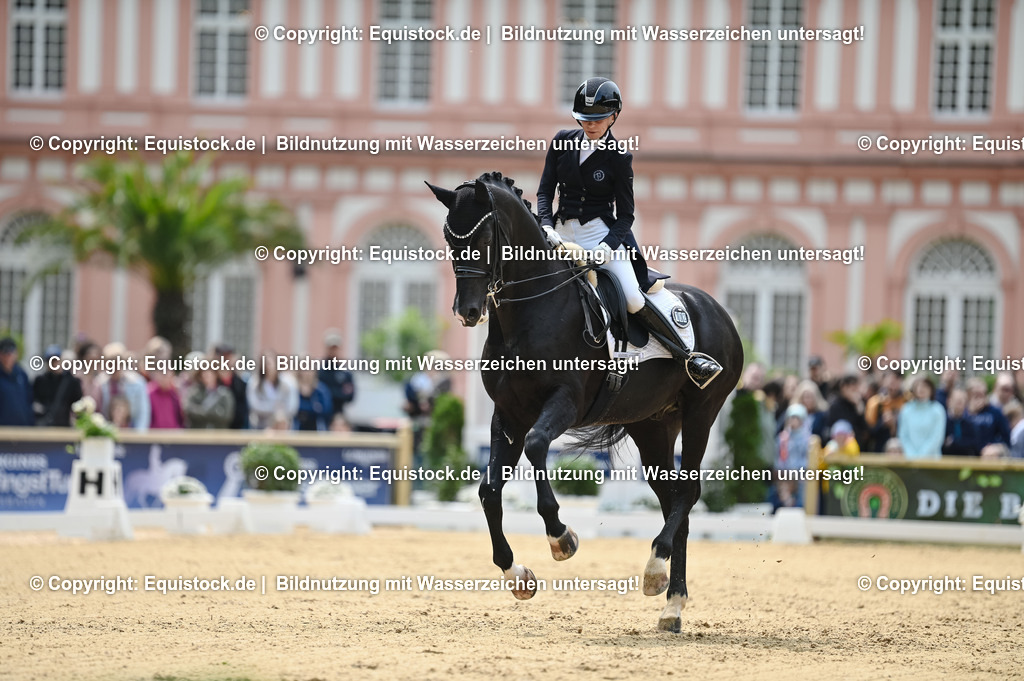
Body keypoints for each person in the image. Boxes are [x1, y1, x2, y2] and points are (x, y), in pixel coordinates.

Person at [536, 76, 722, 388]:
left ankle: (686, 356)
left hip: (600, 235)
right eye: (584, 119)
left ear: (613, 117)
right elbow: (544, 192)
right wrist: (545, 224)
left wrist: (607, 248)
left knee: (633, 298)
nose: (590, 125)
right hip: (560, 233)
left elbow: (626, 215)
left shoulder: (619, 158)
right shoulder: (561, 143)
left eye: (596, 119)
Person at [97, 342, 151, 431]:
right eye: (110, 363)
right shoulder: (100, 383)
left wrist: (138, 437)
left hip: (132, 432)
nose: (114, 367)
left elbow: (143, 413)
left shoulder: (137, 382)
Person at [897, 376, 945, 459]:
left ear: (931, 389)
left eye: (925, 386)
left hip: (932, 460)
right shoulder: (906, 409)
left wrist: (921, 456)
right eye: (918, 386)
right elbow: (903, 436)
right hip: (909, 460)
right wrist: (911, 455)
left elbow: (936, 437)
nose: (921, 389)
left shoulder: (938, 410)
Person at [32, 345, 82, 427]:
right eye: (50, 361)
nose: (54, 363)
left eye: (56, 360)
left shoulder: (71, 381)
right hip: (44, 425)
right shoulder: (40, 381)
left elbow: (78, 405)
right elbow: (35, 402)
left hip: (64, 425)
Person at [247, 351, 298, 429]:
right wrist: (275, 407)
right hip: (261, 426)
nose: (269, 367)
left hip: (283, 427)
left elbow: (292, 407)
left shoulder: (288, 383)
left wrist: (280, 415)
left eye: (272, 363)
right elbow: (255, 405)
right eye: (267, 363)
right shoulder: (254, 383)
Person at [774, 403, 811, 509]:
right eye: (791, 418)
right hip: (786, 474)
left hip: (801, 475)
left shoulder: (807, 439)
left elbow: (807, 458)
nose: (793, 421)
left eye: (796, 418)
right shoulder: (783, 438)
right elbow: (779, 456)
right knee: (783, 492)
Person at [317, 330, 355, 419]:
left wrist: (329, 391)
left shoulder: (345, 372)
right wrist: (338, 392)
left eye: (335, 348)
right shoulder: (319, 370)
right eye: (331, 347)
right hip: (321, 414)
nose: (333, 351)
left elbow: (350, 396)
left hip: (338, 415)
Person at [825, 374, 869, 451]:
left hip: (858, 449)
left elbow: (866, 430)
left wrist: (859, 410)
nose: (855, 392)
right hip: (839, 449)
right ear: (844, 387)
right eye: (852, 389)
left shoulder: (860, 404)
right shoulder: (835, 406)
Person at [213, 343, 249, 429]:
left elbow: (242, 411)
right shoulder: (210, 381)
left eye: (228, 356)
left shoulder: (240, 384)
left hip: (235, 430)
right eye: (223, 356)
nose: (226, 360)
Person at [0, 337, 33, 426]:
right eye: (5, 353)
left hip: (22, 429)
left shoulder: (22, 374)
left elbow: (29, 401)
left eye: (11, 353)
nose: (8, 357)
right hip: (3, 431)